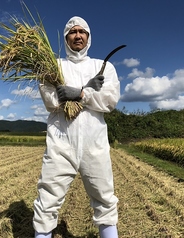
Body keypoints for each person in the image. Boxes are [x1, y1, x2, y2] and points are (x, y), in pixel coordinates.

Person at [33, 16, 120, 238]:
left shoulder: (103, 67)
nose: (78, 35)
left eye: (82, 32)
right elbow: (51, 100)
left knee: (105, 198)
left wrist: (79, 93)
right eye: (73, 32)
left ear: (88, 37)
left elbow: (109, 100)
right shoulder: (54, 66)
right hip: (61, 142)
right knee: (47, 199)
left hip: (95, 143)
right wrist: (88, 89)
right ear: (66, 38)